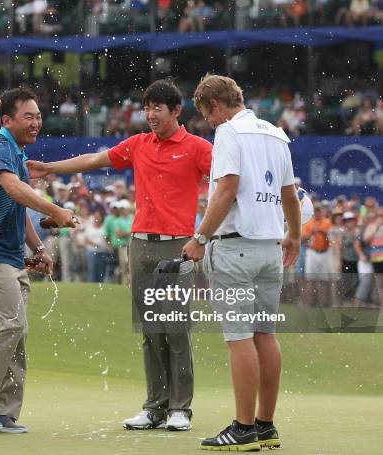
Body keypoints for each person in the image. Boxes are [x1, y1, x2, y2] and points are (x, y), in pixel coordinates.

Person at [27, 79, 212, 431]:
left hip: (178, 244)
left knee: (175, 327)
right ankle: (155, 405)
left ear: (176, 111)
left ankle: (180, 408)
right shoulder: (139, 143)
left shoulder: (197, 147)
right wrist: (50, 168)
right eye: (147, 107)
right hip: (140, 242)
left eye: (158, 108)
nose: (150, 114)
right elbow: (93, 159)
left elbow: (228, 179)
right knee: (149, 327)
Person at [182, 74, 301, 451]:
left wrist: (199, 238)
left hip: (235, 248)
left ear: (215, 105)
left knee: (240, 339)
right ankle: (265, 426)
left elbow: (227, 190)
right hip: (270, 247)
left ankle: (244, 427)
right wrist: (294, 235)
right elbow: (289, 195)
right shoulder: (276, 133)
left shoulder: (229, 133)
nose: (209, 122)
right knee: (266, 334)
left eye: (207, 115)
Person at [0, 87, 76, 434]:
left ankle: (3, 411)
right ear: (7, 120)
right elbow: (12, 189)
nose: (37, 122)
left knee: (18, 331)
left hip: (10, 256)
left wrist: (38, 249)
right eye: (29, 116)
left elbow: (19, 207)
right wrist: (55, 209)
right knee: (12, 324)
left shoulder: (17, 153)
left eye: (39, 115)